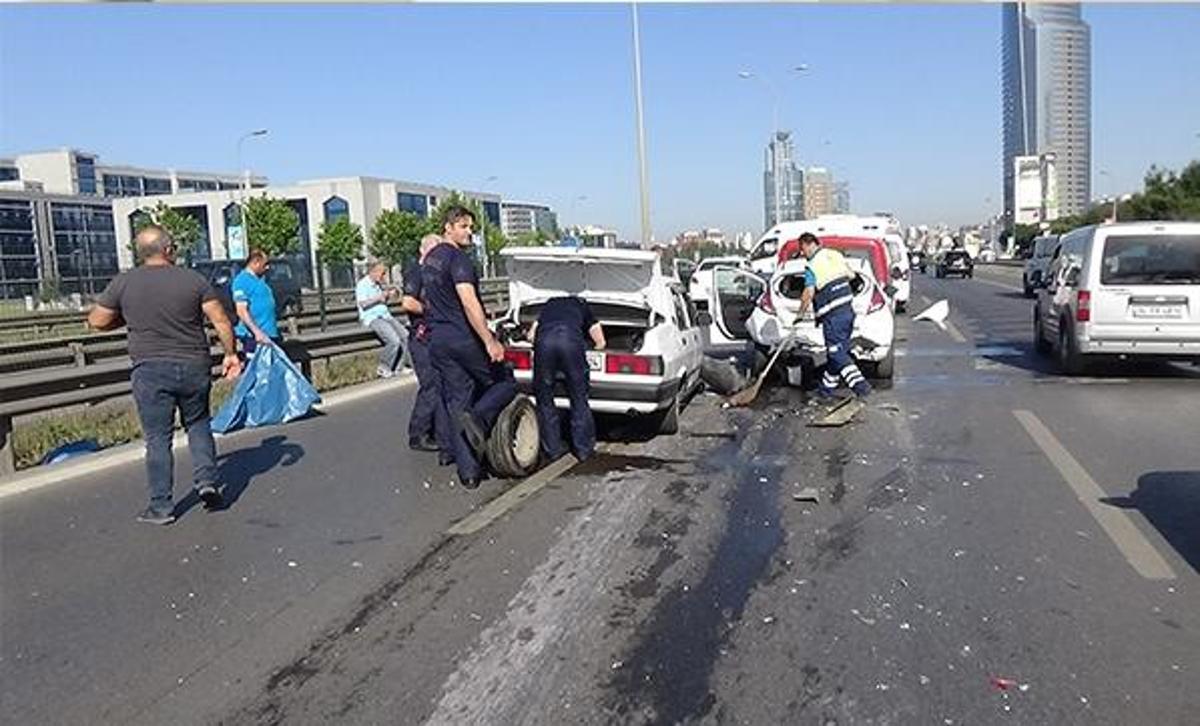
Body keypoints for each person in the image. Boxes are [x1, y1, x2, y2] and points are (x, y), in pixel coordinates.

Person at [87, 225, 242, 525]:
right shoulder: (193, 279)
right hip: (193, 364)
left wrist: (126, 317)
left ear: (140, 253)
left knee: (158, 438)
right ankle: (207, 482)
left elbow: (96, 320)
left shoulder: (125, 282)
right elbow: (220, 320)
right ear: (168, 250)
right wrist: (230, 354)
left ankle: (161, 507)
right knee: (198, 424)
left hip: (150, 368)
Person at [423, 205, 516, 489]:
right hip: (463, 338)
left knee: (458, 400)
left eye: (471, 227)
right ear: (448, 227)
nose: (469, 232)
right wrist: (489, 340)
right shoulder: (458, 259)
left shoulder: (430, 259)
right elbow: (468, 301)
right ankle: (479, 417)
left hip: (438, 340)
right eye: (463, 226)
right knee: (505, 382)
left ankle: (469, 473)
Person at [529, 295, 606, 462]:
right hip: (570, 343)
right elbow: (598, 335)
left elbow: (531, 335)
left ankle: (552, 450)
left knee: (545, 399)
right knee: (579, 397)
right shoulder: (582, 304)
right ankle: (583, 449)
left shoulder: (548, 304)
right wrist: (599, 346)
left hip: (545, 344)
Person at [796, 232, 871, 399]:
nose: (802, 254)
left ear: (810, 244)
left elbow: (808, 292)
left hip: (833, 318)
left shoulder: (811, 266)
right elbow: (851, 275)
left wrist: (800, 314)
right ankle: (825, 391)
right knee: (835, 355)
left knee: (836, 354)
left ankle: (861, 387)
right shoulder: (835, 255)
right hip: (847, 312)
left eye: (802, 249)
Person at [401, 234, 451, 457]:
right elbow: (408, 302)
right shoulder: (416, 273)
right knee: (430, 385)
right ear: (426, 251)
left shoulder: (433, 274)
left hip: (434, 335)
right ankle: (418, 433)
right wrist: (433, 310)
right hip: (421, 337)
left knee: (439, 384)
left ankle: (435, 430)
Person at [356, 260, 409, 378]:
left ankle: (399, 367)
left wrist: (388, 295)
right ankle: (384, 366)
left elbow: (383, 302)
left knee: (406, 336)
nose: (384, 276)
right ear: (373, 272)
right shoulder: (362, 285)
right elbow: (363, 304)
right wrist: (379, 298)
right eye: (382, 273)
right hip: (373, 317)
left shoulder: (378, 285)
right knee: (394, 340)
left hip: (385, 315)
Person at [232, 249, 281, 356]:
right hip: (255, 337)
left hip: (269, 334)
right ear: (256, 262)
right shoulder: (242, 281)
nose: (267, 267)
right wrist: (257, 332)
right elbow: (241, 310)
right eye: (265, 264)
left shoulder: (261, 280)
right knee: (258, 371)